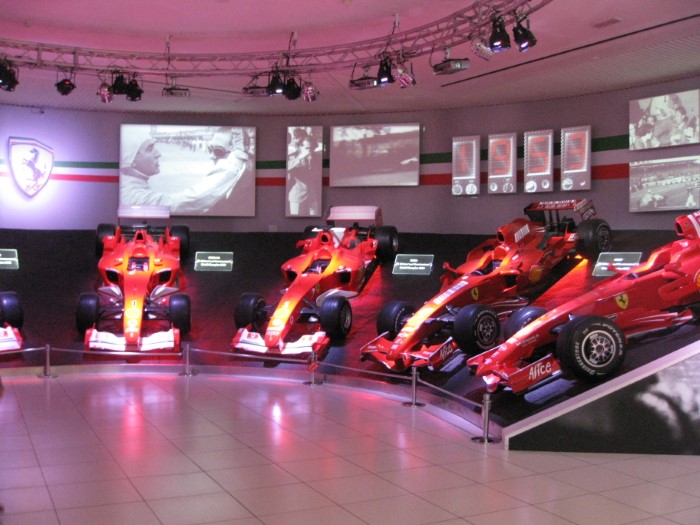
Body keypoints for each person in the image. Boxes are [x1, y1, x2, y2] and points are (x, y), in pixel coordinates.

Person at [120, 130, 248, 214]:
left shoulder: (129, 188)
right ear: (131, 160)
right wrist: (237, 158)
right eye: (149, 148)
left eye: (218, 151)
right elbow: (190, 201)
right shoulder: (132, 196)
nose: (158, 154)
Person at [286, 128, 321, 216]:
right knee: (296, 220)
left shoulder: (316, 156)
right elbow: (286, 167)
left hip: (312, 194)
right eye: (306, 148)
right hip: (297, 196)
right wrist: (299, 158)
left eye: (311, 148)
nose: (309, 151)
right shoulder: (294, 156)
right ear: (300, 147)